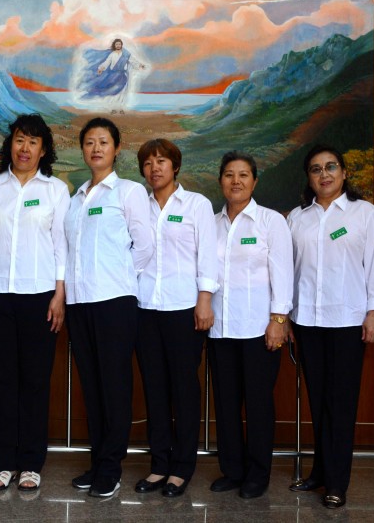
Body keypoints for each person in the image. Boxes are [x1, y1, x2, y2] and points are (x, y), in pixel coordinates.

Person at [287, 144, 374, 509]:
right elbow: (290, 272)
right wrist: (286, 317)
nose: (324, 174)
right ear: (309, 178)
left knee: (341, 403)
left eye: (331, 167)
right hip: (308, 323)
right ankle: (319, 472)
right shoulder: (297, 218)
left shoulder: (365, 214)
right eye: (316, 169)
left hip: (347, 321)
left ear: (344, 173)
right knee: (318, 401)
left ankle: (337, 483)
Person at [0, 114, 70, 492]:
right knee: (0, 379)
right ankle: (4, 462)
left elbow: (61, 244)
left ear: (44, 150)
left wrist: (60, 294)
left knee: (34, 380)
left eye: (32, 142)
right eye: (19, 140)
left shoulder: (55, 190)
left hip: (41, 295)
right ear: (9, 145)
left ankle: (30, 462)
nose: (24, 148)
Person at [66, 117, 154, 498]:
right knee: (92, 387)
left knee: (114, 387)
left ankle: (111, 467)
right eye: (89, 142)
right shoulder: (75, 198)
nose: (96, 148)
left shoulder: (129, 192)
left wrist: (117, 276)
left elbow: (145, 245)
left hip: (115, 302)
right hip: (79, 303)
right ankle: (97, 460)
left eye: (103, 141)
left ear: (117, 149)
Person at [206, 151, 293, 499]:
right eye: (229, 175)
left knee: (258, 404)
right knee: (225, 404)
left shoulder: (271, 222)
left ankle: (258, 474)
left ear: (255, 181)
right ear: (221, 181)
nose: (236, 181)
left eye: (243, 175)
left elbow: (283, 274)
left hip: (259, 329)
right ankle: (233, 470)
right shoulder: (211, 224)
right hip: (220, 328)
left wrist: (278, 320)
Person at [134, 138, 218, 498]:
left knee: (183, 390)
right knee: (154, 389)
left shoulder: (196, 204)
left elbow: (208, 257)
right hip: (145, 308)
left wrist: (204, 300)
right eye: (149, 163)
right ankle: (159, 465)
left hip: (185, 308)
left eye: (162, 161)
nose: (155, 168)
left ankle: (182, 467)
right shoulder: (138, 205)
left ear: (175, 167)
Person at [78, 38, 146, 113]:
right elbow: (107, 62)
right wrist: (101, 68)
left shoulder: (126, 54)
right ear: (114, 45)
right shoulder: (112, 54)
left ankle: (121, 108)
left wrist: (140, 65)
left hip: (122, 76)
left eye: (119, 44)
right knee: (113, 93)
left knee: (122, 93)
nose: (118, 45)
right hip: (113, 76)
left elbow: (133, 61)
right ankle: (113, 108)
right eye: (117, 44)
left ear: (121, 45)